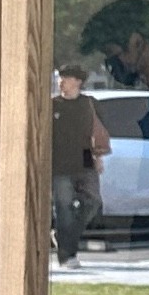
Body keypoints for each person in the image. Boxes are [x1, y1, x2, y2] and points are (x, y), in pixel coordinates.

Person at [49, 67, 108, 263]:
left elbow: (98, 131)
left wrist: (98, 157)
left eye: (66, 78)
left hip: (85, 159)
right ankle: (67, 256)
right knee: (63, 209)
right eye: (60, 78)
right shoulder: (52, 105)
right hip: (60, 164)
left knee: (93, 203)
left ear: (78, 82)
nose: (61, 82)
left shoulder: (89, 104)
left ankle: (64, 237)